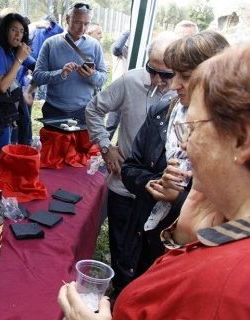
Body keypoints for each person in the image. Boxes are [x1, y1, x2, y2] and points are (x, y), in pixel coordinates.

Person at [58, 42, 250, 320]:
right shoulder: (220, 234)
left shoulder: (229, 286)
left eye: (192, 128)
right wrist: (183, 240)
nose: (184, 146)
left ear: (241, 140)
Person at [120, 31, 230, 288]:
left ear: (217, 78)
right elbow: (131, 167)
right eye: (174, 74)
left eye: (185, 76)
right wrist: (151, 183)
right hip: (148, 238)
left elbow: (232, 215)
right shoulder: (162, 112)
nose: (172, 85)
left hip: (197, 260)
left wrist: (178, 198)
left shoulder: (230, 135)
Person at [85, 31, 178, 297]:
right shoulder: (130, 81)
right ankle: (121, 297)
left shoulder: (185, 95)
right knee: (122, 249)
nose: (158, 80)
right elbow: (94, 109)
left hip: (166, 196)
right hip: (125, 185)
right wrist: (106, 146)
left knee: (152, 258)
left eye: (167, 75)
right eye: (152, 70)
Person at [33, 2, 107, 120]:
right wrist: (60, 74)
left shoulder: (95, 45)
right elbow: (37, 76)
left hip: (84, 110)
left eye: (86, 24)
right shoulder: (51, 43)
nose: (82, 28)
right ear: (67, 19)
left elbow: (103, 78)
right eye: (77, 22)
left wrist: (92, 75)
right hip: (54, 109)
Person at [0, 13, 35, 166]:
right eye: (14, 30)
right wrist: (19, 59)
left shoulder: (13, 50)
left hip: (9, 111)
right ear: (4, 30)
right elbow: (2, 86)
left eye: (21, 31)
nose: (18, 35)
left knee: (9, 155)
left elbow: (38, 67)